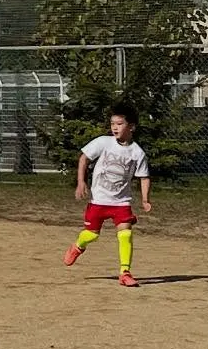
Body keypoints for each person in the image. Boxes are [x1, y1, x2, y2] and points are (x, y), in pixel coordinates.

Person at [63, 102, 152, 288]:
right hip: (99, 200)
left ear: (131, 127)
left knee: (125, 234)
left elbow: (144, 177)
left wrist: (145, 199)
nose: (114, 127)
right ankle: (78, 246)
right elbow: (84, 158)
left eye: (119, 124)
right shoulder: (104, 142)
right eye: (112, 123)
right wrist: (81, 181)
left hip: (121, 202)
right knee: (92, 235)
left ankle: (125, 272)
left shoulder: (137, 153)